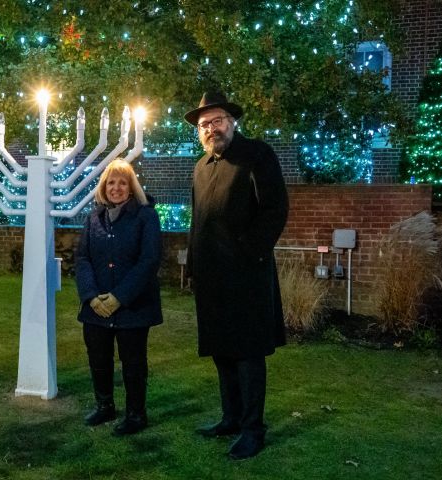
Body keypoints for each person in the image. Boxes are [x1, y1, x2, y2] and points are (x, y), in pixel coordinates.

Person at [183, 91, 289, 459]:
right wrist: (192, 266)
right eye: (204, 124)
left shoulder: (257, 155)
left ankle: (252, 429)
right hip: (211, 279)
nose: (211, 129)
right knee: (221, 352)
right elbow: (199, 221)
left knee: (246, 354)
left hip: (246, 276)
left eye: (217, 121)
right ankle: (230, 417)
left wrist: (248, 253)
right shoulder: (200, 167)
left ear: (232, 121)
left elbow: (275, 210)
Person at [75, 159, 163, 436]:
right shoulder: (94, 218)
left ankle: (136, 414)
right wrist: (91, 297)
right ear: (103, 186)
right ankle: (105, 406)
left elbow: (149, 260)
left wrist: (119, 298)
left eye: (122, 182)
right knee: (98, 358)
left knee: (133, 362)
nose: (116, 187)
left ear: (131, 186)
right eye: (111, 182)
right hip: (97, 307)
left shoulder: (146, 216)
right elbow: (83, 258)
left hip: (133, 306)